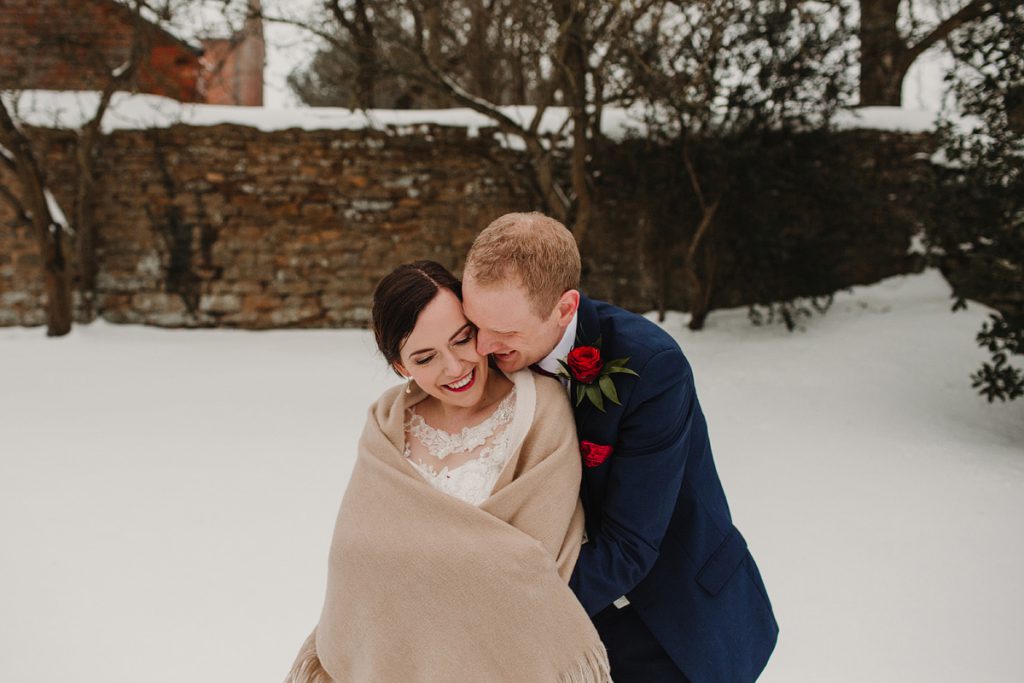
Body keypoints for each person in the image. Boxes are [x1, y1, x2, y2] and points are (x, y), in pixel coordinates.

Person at [462, 213, 779, 683]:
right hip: (560, 632)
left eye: (504, 331)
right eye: (474, 322)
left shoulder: (651, 367)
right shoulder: (479, 359)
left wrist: (509, 614)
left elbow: (629, 544)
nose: (482, 346)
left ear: (565, 308)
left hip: (673, 624)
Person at [285, 261, 610, 683]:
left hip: (504, 659)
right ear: (401, 367)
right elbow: (357, 557)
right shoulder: (388, 422)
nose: (455, 368)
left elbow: (533, 559)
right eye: (425, 357)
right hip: (394, 657)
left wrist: (431, 566)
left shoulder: (540, 409)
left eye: (462, 339)